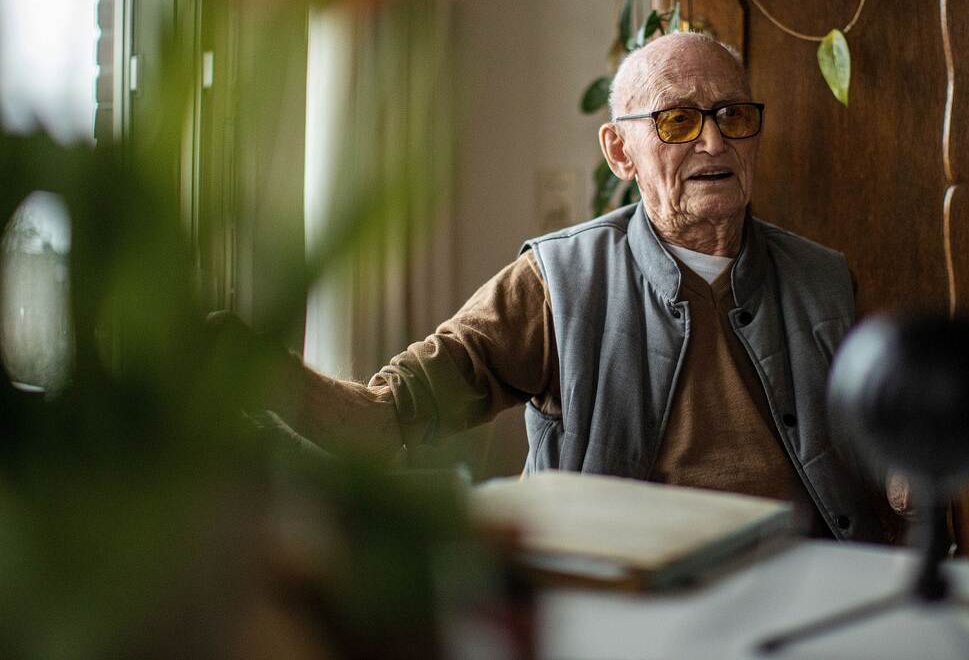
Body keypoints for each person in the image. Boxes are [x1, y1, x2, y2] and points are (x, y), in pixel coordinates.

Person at [256, 32, 899, 542]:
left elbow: (885, 441)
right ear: (620, 152)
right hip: (632, 594)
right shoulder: (558, 283)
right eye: (677, 120)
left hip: (809, 583)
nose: (713, 140)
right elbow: (381, 419)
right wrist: (264, 373)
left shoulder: (824, 280)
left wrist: (907, 471)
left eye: (732, 115)